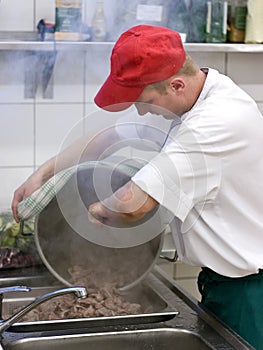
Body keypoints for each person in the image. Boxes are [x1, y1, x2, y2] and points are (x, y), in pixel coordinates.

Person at [12, 25, 263, 349]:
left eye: (143, 101)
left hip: (248, 294)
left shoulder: (213, 125)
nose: (140, 110)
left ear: (175, 84)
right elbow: (112, 136)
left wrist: (96, 212)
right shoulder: (194, 95)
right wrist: (46, 173)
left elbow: (134, 203)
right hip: (222, 283)